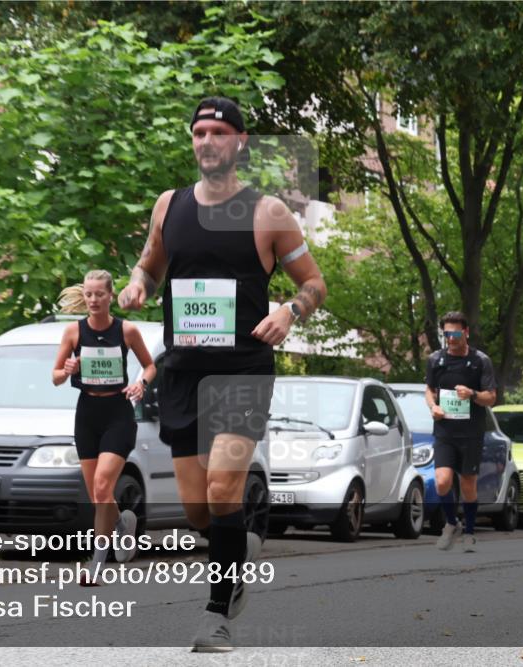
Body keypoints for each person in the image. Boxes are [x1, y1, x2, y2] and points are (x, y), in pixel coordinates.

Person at [118, 96, 326, 652]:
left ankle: (216, 614)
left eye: (217, 131)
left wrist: (289, 310)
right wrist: (138, 284)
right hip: (183, 371)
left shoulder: (269, 214)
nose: (206, 141)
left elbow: (314, 284)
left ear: (240, 142)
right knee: (198, 509)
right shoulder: (169, 205)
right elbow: (150, 263)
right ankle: (237, 545)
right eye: (198, 132)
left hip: (242, 372)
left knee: (221, 485)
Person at [52, 269, 157, 583]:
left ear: (111, 296)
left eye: (100, 294)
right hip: (87, 413)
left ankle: (95, 565)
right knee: (99, 495)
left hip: (118, 413)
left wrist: (141, 384)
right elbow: (55, 376)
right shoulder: (73, 332)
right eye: (88, 294)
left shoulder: (126, 331)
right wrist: (67, 367)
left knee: (101, 485)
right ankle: (123, 526)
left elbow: (150, 366)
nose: (93, 300)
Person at [425, 312, 497, 553]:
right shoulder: (436, 359)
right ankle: (451, 523)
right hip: (445, 431)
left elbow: (491, 398)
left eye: (456, 333)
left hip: (471, 433)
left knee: (468, 486)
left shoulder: (480, 361)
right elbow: (429, 389)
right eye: (447, 334)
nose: (452, 338)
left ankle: (469, 532)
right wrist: (433, 406)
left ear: (465, 332)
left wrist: (473, 394)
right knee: (442, 482)